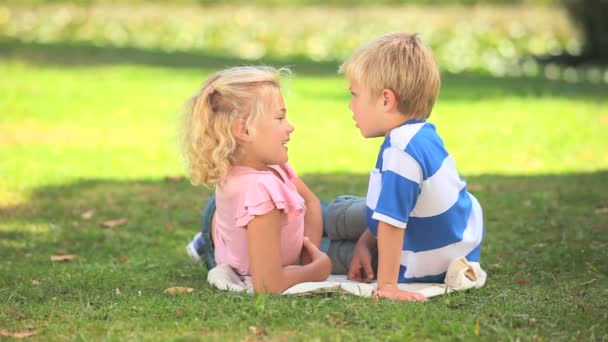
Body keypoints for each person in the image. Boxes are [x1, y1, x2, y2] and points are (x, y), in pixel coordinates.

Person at [334, 32, 485, 301]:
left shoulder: (400, 150)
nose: (350, 105)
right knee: (344, 219)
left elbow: (392, 223)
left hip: (416, 260)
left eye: (354, 95)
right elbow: (402, 208)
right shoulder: (423, 135)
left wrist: (388, 286)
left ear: (385, 100)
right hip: (451, 247)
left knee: (333, 225)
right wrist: (366, 241)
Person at [182, 66, 331, 294]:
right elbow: (268, 285)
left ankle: (205, 242)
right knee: (352, 234)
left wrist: (309, 255)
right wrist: (318, 269)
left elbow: (311, 203)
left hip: (241, 229)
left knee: (344, 221)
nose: (291, 127)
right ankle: (205, 244)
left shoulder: (272, 165)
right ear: (244, 130)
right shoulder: (260, 190)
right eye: (280, 117)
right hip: (228, 243)